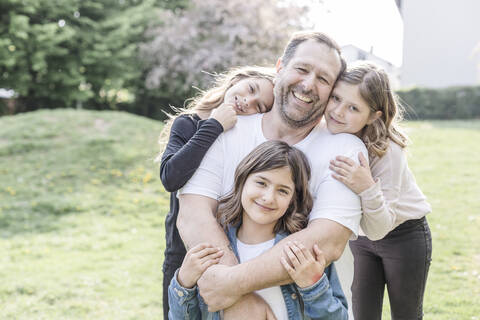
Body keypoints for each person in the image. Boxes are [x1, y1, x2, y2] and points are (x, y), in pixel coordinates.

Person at [176, 31, 368, 319]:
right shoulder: (227, 130)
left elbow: (325, 241)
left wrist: (233, 285)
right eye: (302, 69)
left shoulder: (345, 150)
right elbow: (193, 214)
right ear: (280, 68)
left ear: (332, 91)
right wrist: (239, 302)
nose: (308, 84)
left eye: (323, 79)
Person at [169, 141, 348, 320]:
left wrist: (312, 286)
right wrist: (184, 283)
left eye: (283, 191)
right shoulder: (214, 247)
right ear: (243, 180)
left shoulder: (302, 253)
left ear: (293, 199)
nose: (268, 198)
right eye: (261, 183)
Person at [158, 66, 276, 319]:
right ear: (237, 80)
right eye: (251, 89)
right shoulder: (189, 123)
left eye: (260, 106)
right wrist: (214, 125)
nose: (248, 101)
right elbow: (170, 177)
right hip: (182, 250)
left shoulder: (247, 138)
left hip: (229, 251)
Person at [326, 61, 432, 320]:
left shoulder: (388, 151)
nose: (338, 112)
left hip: (404, 236)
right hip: (362, 240)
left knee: (405, 313)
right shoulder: (330, 134)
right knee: (362, 312)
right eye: (336, 98)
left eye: (353, 107)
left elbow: (381, 226)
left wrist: (366, 186)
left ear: (375, 115)